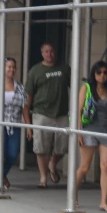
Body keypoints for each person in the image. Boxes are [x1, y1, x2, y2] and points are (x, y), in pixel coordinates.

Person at [24, 42, 70, 188]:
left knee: (63, 147)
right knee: (41, 148)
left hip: (62, 113)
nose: (49, 54)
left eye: (51, 51)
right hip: (41, 113)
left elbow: (74, 88)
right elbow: (28, 98)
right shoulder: (35, 71)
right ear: (42, 53)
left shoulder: (64, 68)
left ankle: (52, 163)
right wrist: (28, 124)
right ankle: (43, 178)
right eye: (46, 52)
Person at [74, 60, 107, 212]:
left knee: (105, 166)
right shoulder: (86, 88)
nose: (102, 76)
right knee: (85, 167)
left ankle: (103, 202)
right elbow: (78, 111)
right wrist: (79, 132)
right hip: (89, 128)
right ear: (94, 74)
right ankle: (73, 194)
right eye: (99, 73)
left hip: (106, 130)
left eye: (105, 73)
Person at [0, 57, 30, 189]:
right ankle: (0, 179)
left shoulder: (20, 87)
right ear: (3, 68)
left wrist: (28, 126)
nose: (11, 69)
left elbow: (24, 108)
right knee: (0, 152)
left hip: (14, 124)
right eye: (9, 66)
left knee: (12, 153)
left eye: (13, 67)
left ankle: (1, 175)